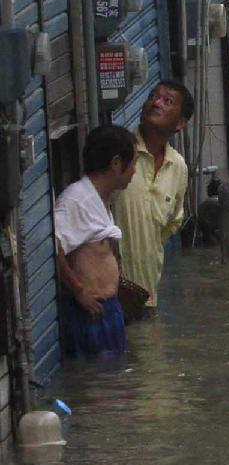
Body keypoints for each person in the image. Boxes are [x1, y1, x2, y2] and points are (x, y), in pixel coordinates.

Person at [54, 125, 138, 357]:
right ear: (116, 163)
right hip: (90, 313)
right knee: (101, 387)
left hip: (107, 309)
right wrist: (79, 291)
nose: (134, 171)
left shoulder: (100, 199)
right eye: (133, 164)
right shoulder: (76, 199)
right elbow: (53, 245)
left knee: (114, 382)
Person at [113, 80, 194, 313]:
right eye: (153, 96)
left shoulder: (178, 166)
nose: (156, 103)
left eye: (167, 101)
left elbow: (172, 222)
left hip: (146, 296)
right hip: (108, 296)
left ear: (180, 123)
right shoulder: (119, 151)